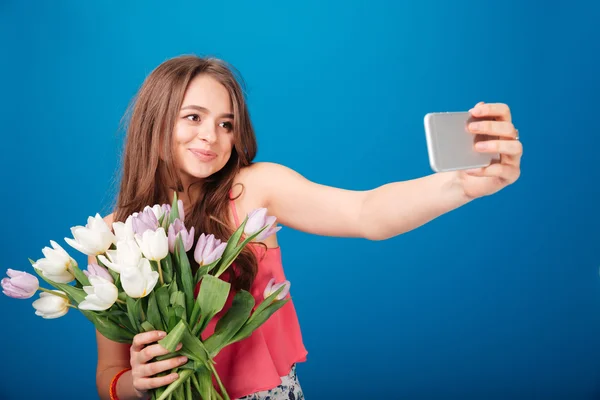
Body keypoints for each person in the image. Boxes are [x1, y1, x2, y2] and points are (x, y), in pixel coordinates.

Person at [93, 55, 523, 400]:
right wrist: (139, 382)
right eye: (193, 117)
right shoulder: (110, 237)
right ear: (155, 119)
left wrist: (460, 185)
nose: (213, 136)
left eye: (226, 123)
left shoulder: (252, 188)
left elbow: (366, 213)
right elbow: (110, 375)